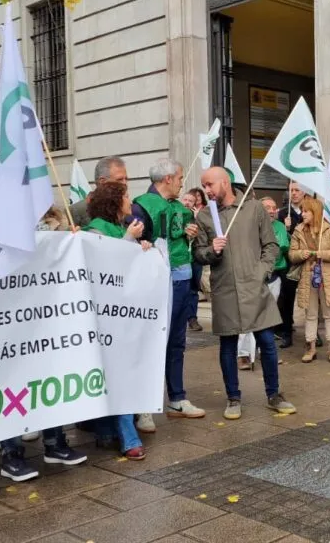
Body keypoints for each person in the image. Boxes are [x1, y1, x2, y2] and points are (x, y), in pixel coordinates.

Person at [194, 167, 296, 420]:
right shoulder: (206, 216)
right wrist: (211, 251)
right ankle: (233, 397)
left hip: (254, 287)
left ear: (225, 182)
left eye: (209, 185)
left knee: (267, 343)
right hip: (225, 288)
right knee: (228, 345)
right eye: (203, 186)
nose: (206, 191)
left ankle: (274, 395)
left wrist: (261, 271)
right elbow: (198, 253)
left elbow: (271, 245)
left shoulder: (253, 208)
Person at [132, 159, 205, 428]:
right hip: (155, 280)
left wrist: (189, 233)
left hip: (181, 277)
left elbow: (180, 238)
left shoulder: (179, 207)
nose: (181, 182)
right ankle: (143, 405)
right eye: (179, 177)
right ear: (166, 179)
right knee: (152, 343)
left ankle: (177, 397)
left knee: (176, 340)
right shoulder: (141, 205)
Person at [84, 181, 153, 460]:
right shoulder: (96, 228)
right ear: (114, 201)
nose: (129, 200)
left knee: (112, 373)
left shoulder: (121, 225)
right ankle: (128, 438)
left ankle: (105, 432)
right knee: (117, 374)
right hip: (104, 316)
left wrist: (141, 248)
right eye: (125, 196)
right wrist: (127, 241)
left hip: (122, 312)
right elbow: (103, 264)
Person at [288, 197, 330, 363]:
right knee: (310, 314)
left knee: (329, 313)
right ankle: (310, 346)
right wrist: (300, 254)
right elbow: (292, 254)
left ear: (315, 212)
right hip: (308, 277)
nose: (302, 214)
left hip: (328, 277)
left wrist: (322, 254)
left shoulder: (328, 229)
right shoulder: (298, 230)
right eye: (302, 211)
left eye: (306, 211)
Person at [237, 196, 290, 370]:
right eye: (267, 207)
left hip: (273, 277)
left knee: (267, 317)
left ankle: (265, 352)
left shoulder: (280, 226)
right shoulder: (249, 226)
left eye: (274, 207)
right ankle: (244, 354)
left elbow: (280, 246)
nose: (272, 210)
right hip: (252, 278)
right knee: (248, 316)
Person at [276, 181, 307, 348]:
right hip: (289, 262)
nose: (293, 193)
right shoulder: (282, 214)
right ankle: (286, 332)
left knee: (310, 298)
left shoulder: (310, 212)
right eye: (291, 190)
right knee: (287, 299)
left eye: (297, 190)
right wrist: (285, 228)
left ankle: (313, 333)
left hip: (307, 260)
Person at [69, 156, 129, 228]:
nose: (125, 183)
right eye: (119, 179)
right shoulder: (77, 210)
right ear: (103, 182)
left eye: (126, 179)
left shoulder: (126, 207)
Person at [184, 187, 208, 332]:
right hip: (180, 258)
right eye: (185, 200)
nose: (187, 203)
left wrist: (199, 219)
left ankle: (192, 318)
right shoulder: (176, 214)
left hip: (194, 258)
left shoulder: (198, 216)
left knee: (193, 289)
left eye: (191, 201)